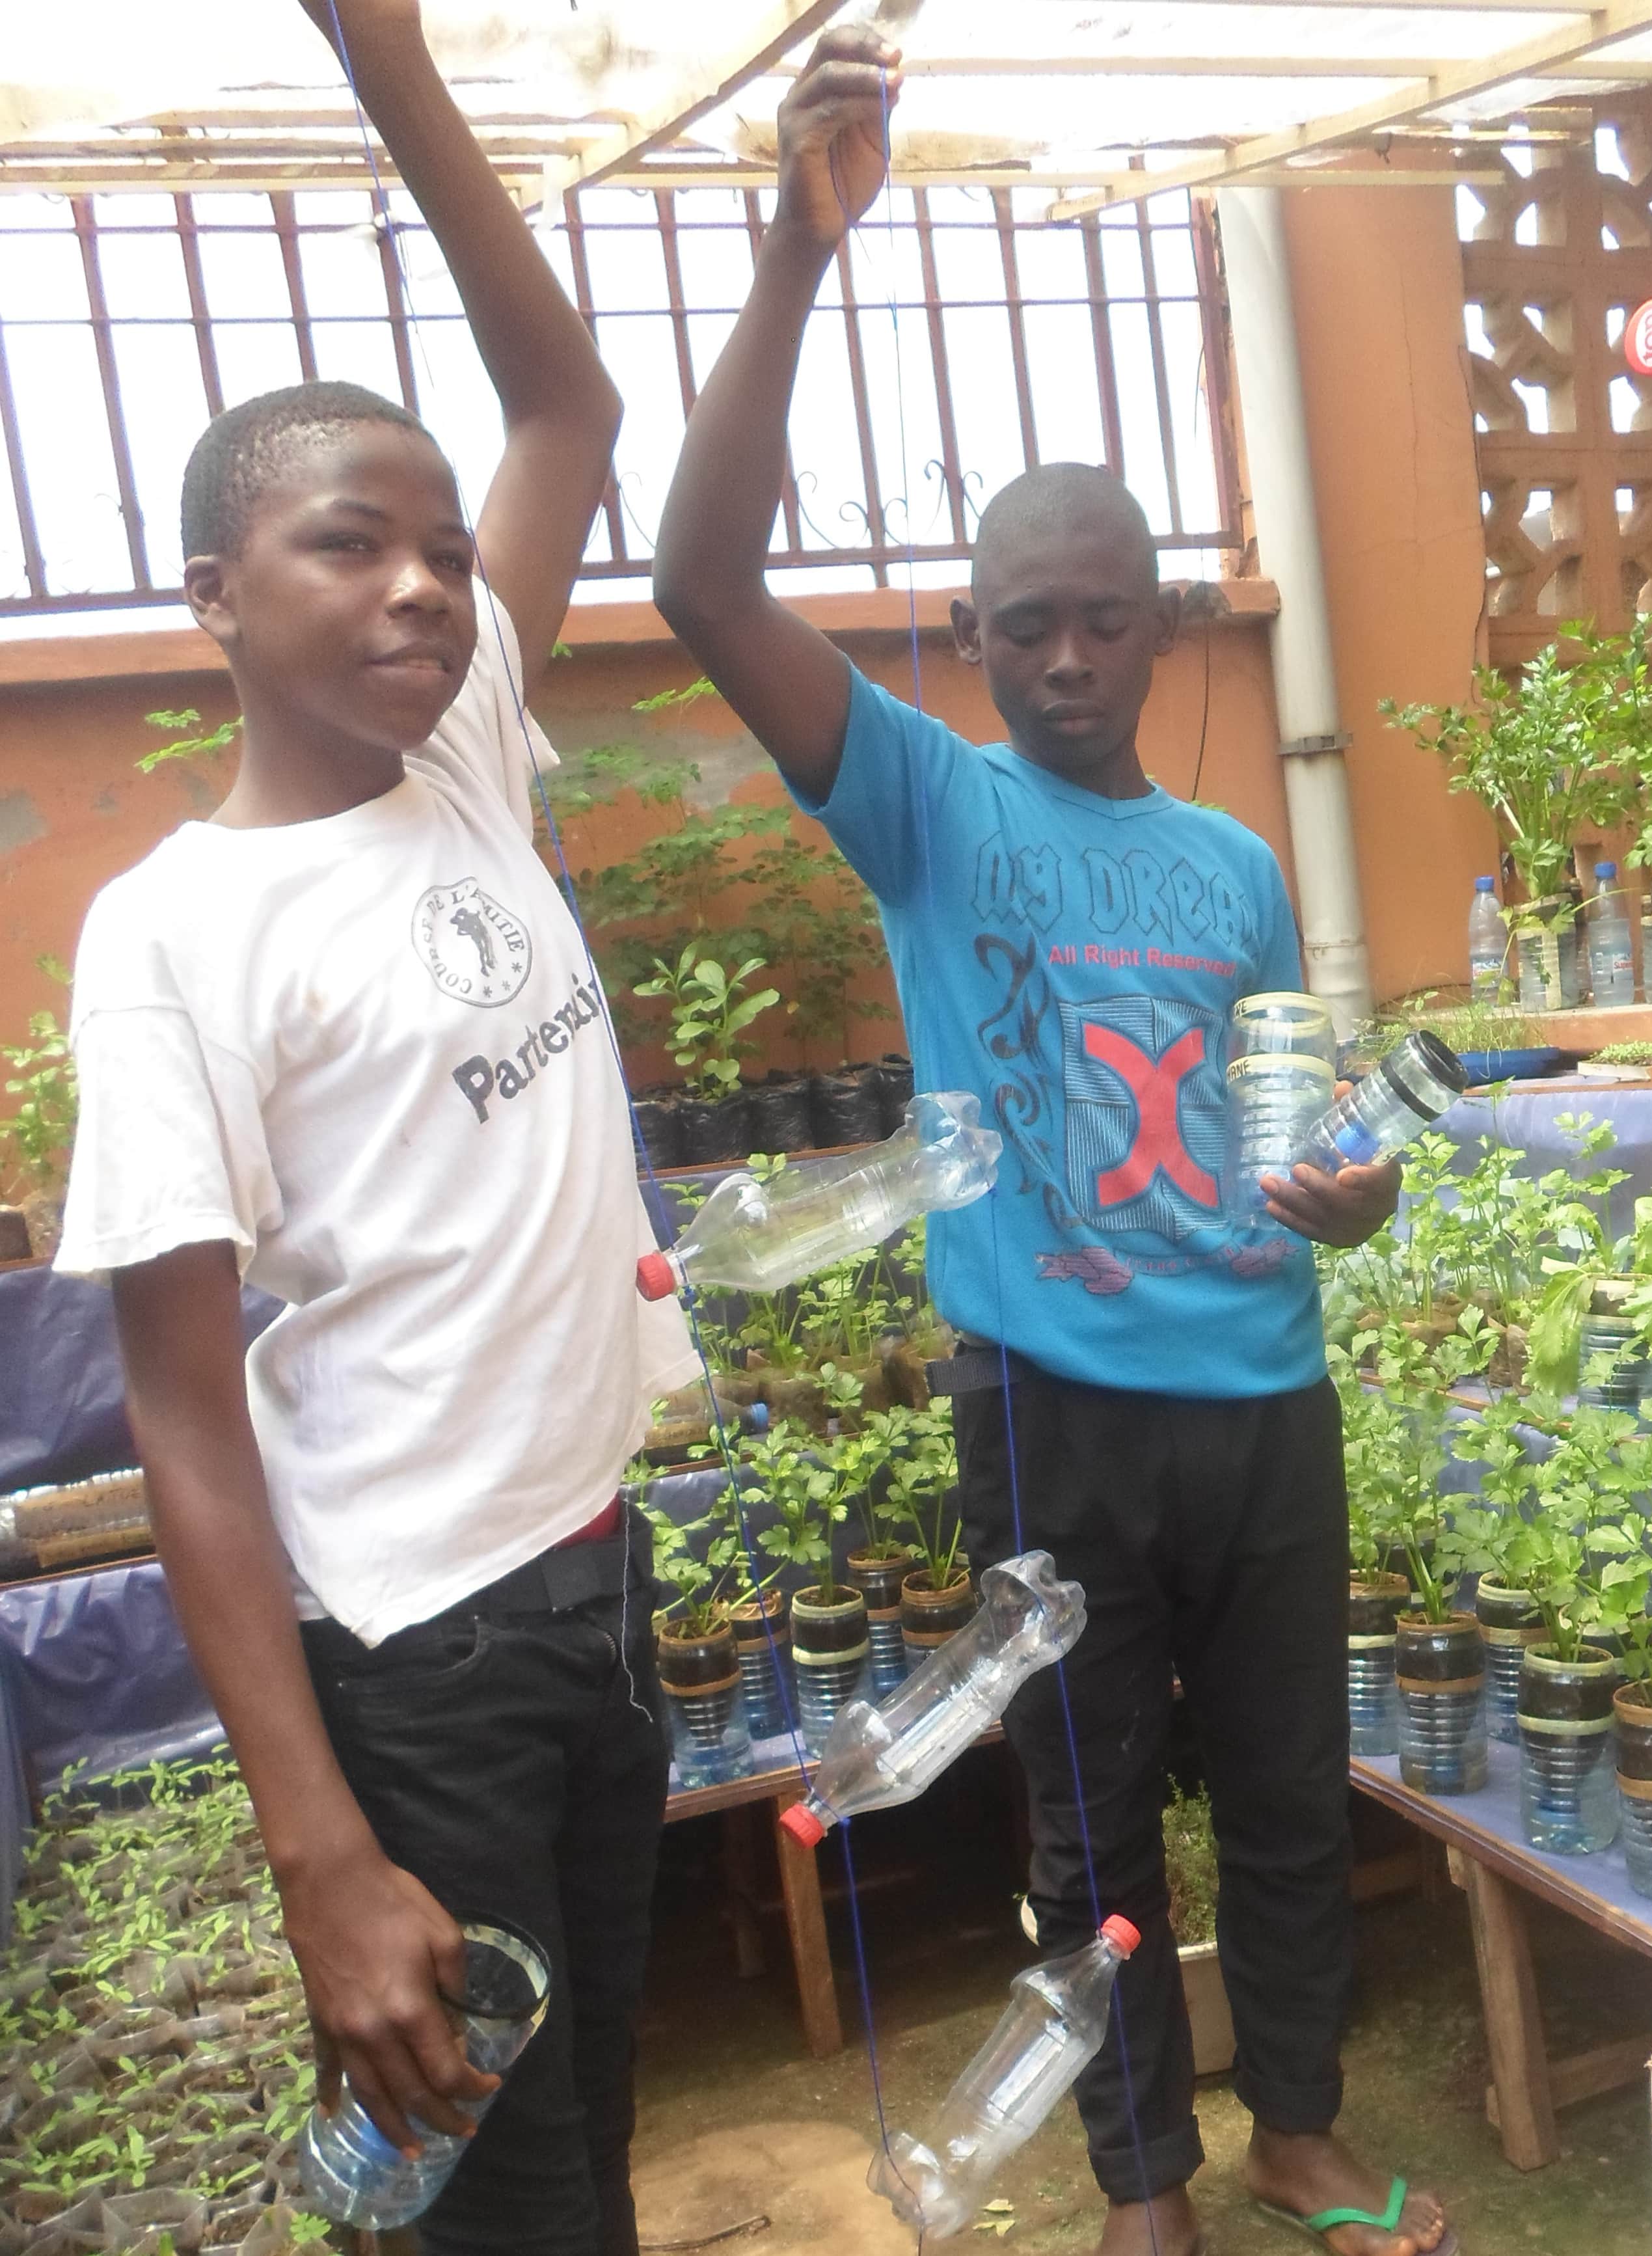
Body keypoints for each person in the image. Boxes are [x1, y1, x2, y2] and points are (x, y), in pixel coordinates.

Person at [651, 29, 1451, 2256]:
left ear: (1167, 624)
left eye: (1109, 619)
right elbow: (707, 580)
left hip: (1264, 1391)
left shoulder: (1227, 865)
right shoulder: (924, 800)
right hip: (1054, 1405)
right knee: (1090, 1816)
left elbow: (1301, 1126)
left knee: (1294, 1793)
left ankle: (1296, 2127)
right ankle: (1142, 2178)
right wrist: (794, 261)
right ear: (977, 635)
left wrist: (1359, 1200)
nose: (1071, 658)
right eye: (1027, 626)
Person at [50, 4, 694, 2250]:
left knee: (580, 2148)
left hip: (596, 1588)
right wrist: (325, 1854)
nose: (424, 582)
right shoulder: (177, 939)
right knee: (504, 2211)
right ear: (215, 599)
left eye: (443, 549)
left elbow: (571, 403)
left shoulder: (463, 759)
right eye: (352, 543)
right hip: (418, 1660)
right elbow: (188, 1422)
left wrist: (394, 62)